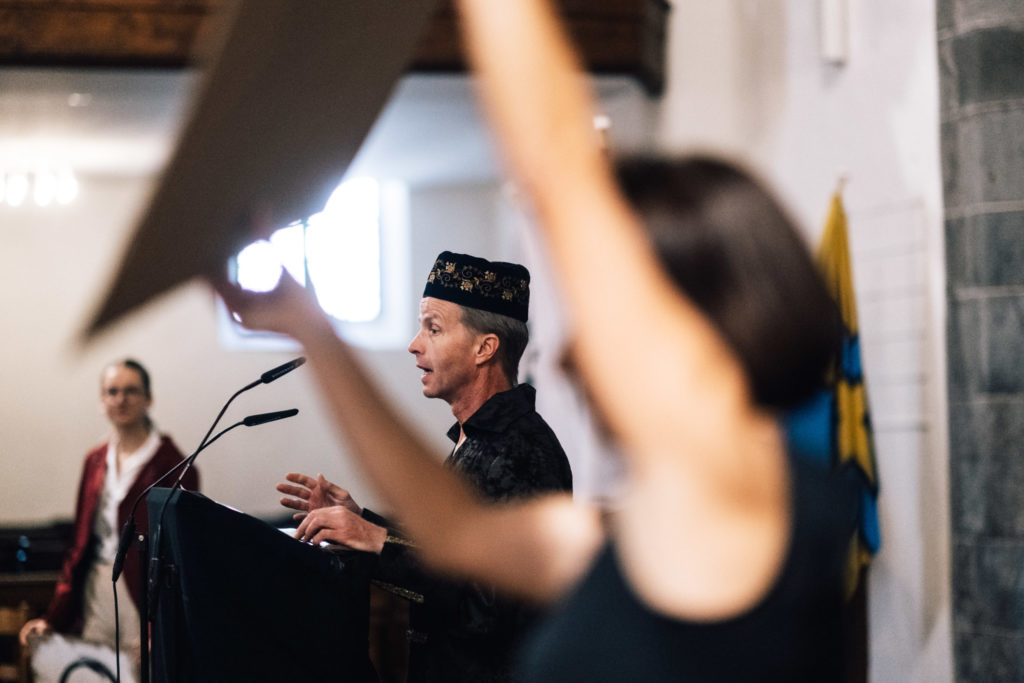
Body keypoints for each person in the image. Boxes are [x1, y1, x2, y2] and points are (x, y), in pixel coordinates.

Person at [214, 0, 856, 679]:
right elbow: (455, 532)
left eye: (608, 324)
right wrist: (313, 330)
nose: (572, 359)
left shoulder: (759, 514)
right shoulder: (643, 535)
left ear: (702, 337)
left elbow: (553, 151)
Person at [278, 251, 572, 683]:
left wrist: (374, 539)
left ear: (484, 348)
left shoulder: (520, 450)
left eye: (433, 328)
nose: (415, 344)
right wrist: (363, 521)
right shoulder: (479, 437)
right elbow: (453, 549)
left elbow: (490, 608)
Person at [19, 359, 199, 666]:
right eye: (112, 391)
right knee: (95, 671)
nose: (121, 399)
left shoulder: (174, 464)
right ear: (102, 400)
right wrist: (54, 617)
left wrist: (159, 626)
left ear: (149, 399)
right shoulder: (95, 460)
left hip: (144, 593)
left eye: (131, 391)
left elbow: (180, 555)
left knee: (138, 671)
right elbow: (79, 545)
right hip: (98, 587)